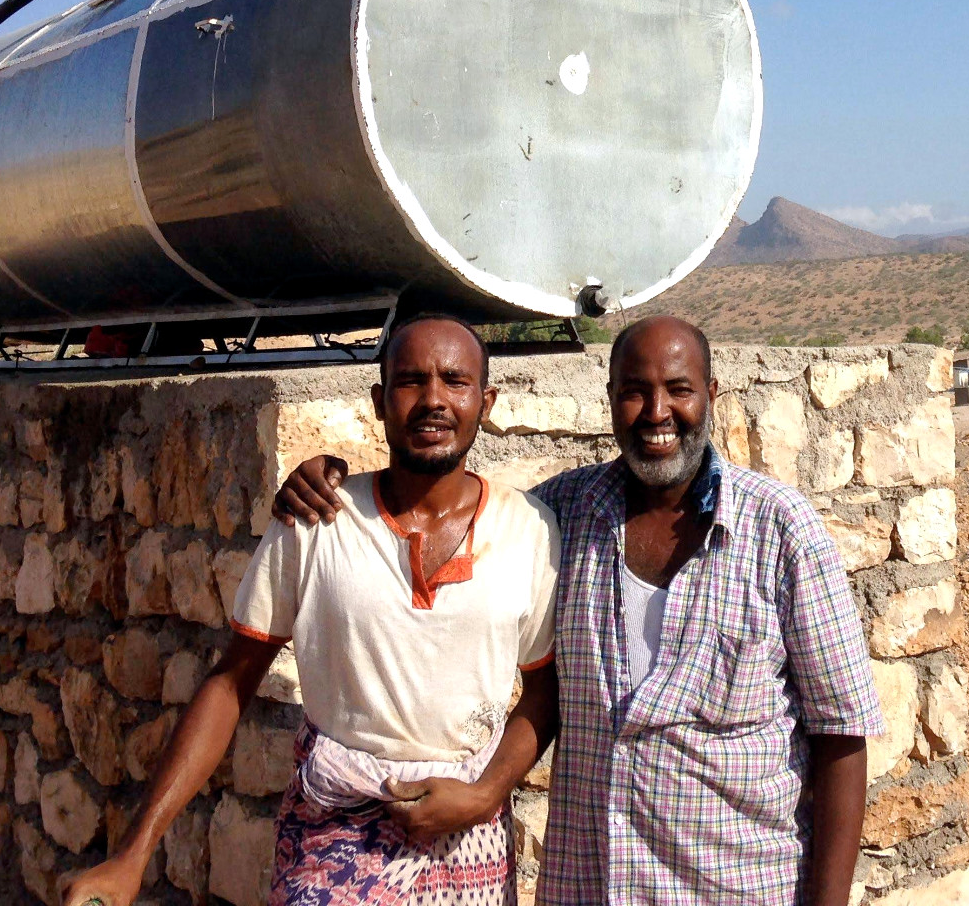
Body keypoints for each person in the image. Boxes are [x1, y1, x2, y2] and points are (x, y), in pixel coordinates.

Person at [274, 314, 883, 906]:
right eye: (634, 393)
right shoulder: (560, 515)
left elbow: (841, 737)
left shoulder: (782, 532)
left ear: (712, 395)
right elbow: (450, 503)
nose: (656, 413)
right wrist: (326, 482)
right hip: (591, 882)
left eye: (678, 390)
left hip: (735, 882)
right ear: (610, 398)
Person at [63, 316, 560, 906]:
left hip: (468, 844)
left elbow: (543, 686)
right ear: (379, 401)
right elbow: (233, 679)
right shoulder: (318, 519)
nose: (433, 400)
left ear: (487, 400)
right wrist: (133, 853)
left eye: (455, 381)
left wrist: (483, 795)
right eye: (410, 381)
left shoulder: (529, 529)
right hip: (331, 839)